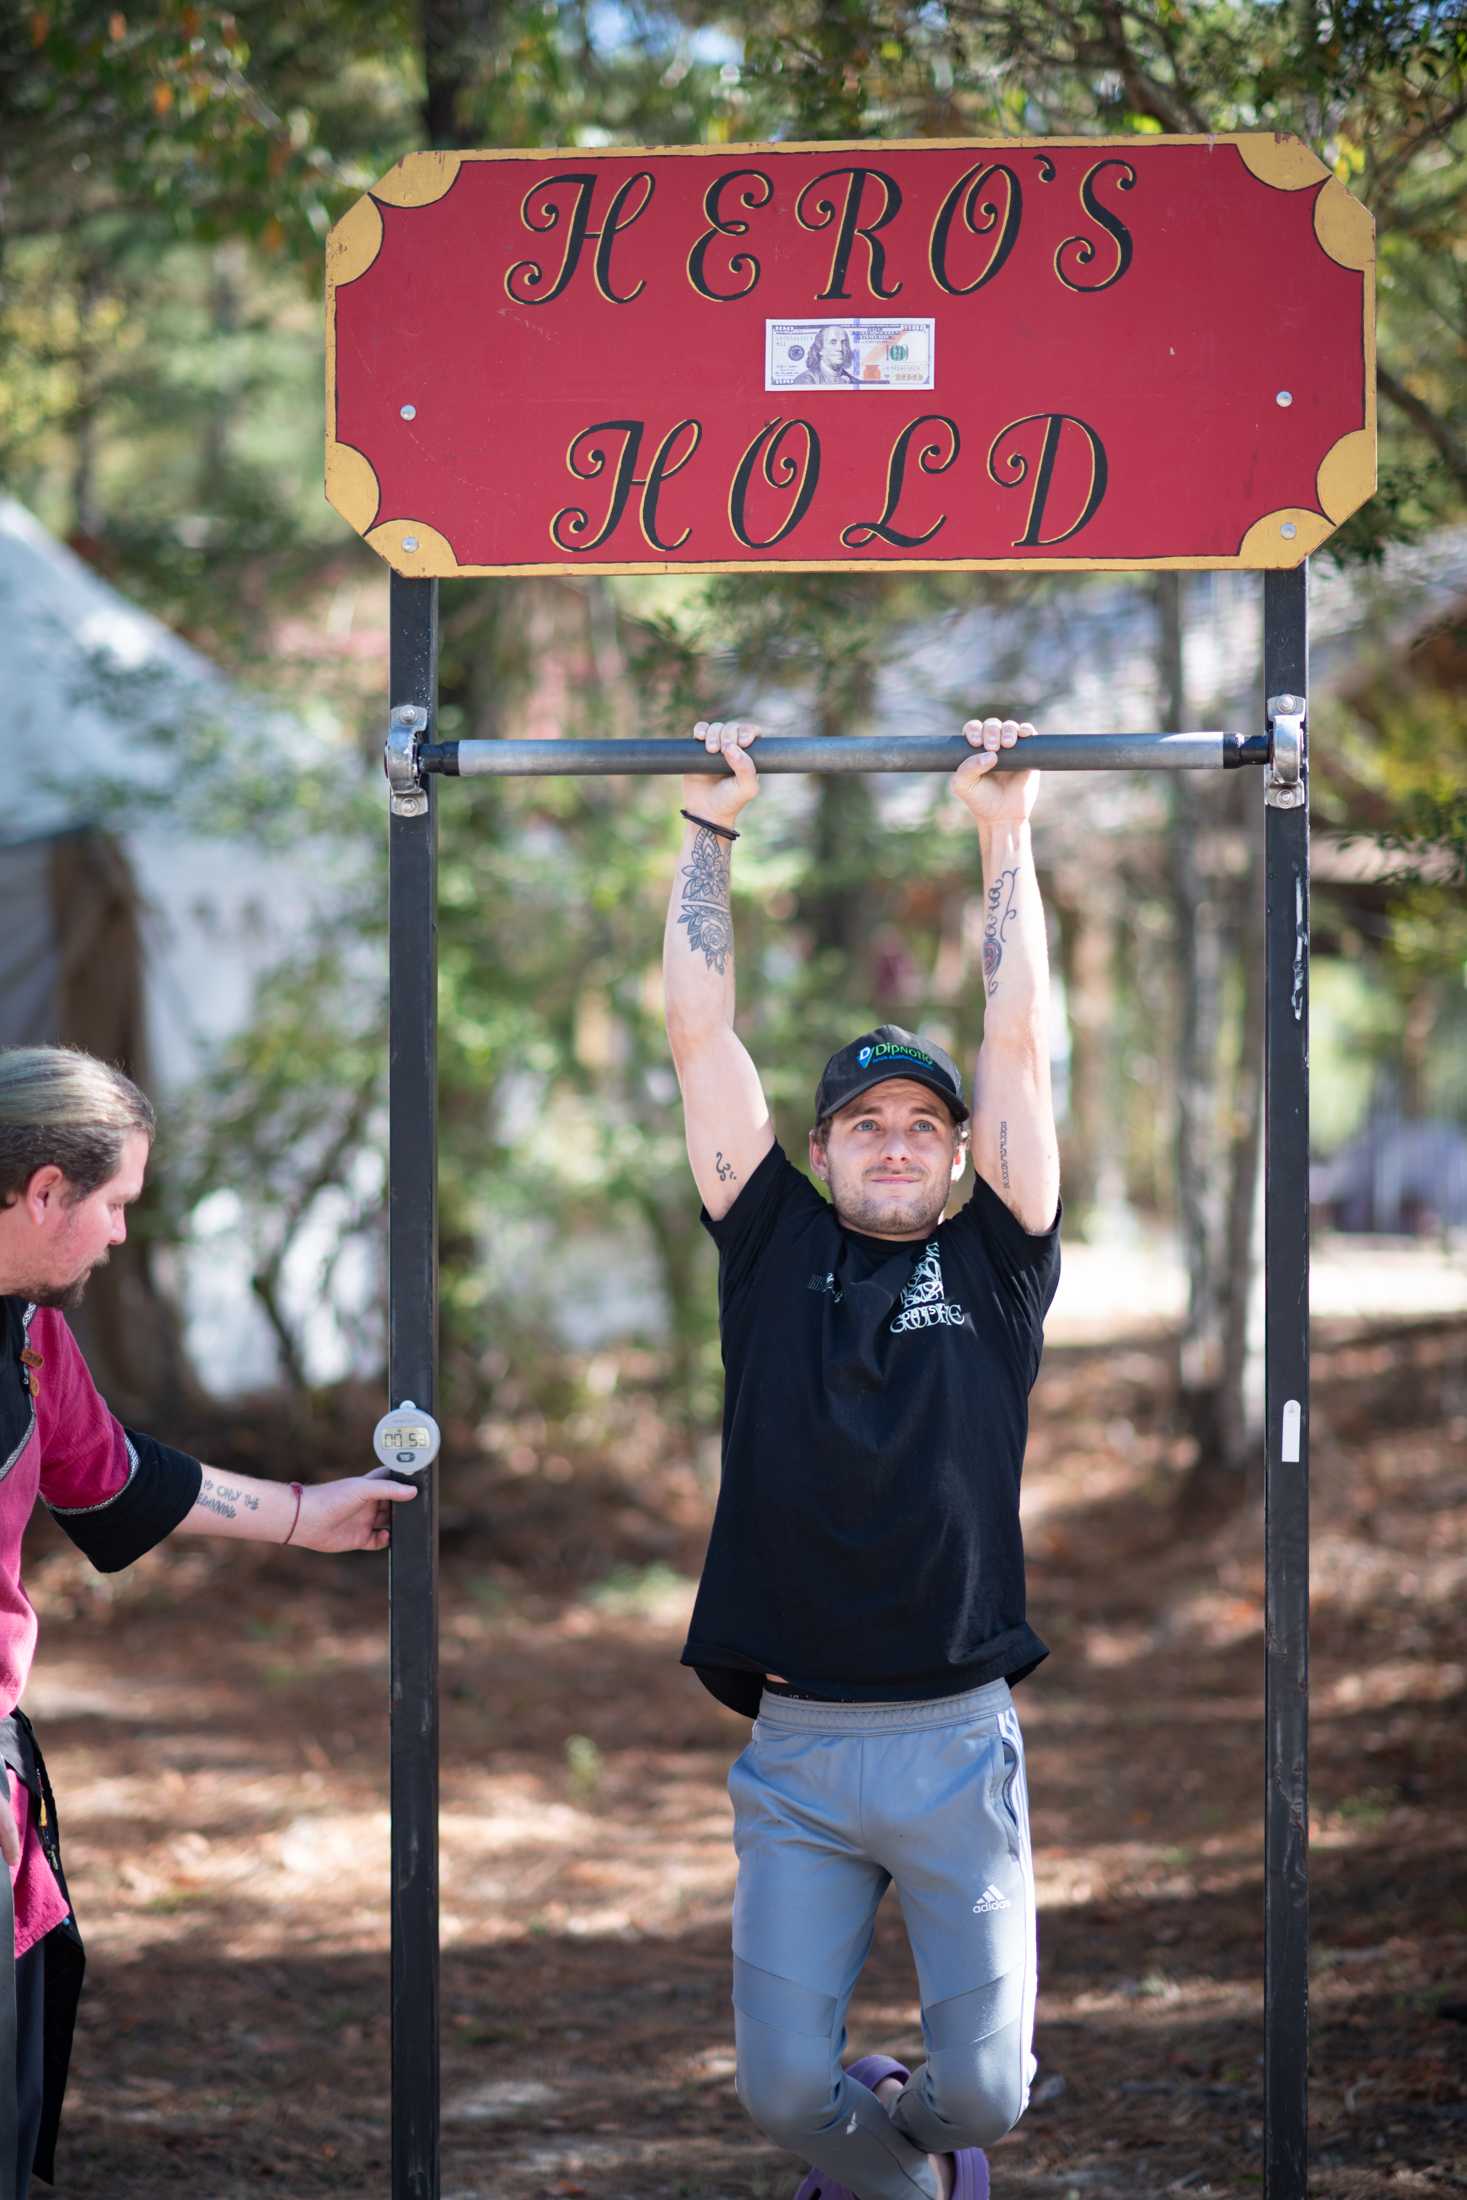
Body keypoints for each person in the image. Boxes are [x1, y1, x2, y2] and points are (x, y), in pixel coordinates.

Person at [662, 716, 1060, 2200]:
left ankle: (926, 2146)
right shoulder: (766, 1245)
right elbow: (700, 1034)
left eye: (920, 1123)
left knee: (989, 2097)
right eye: (860, 1121)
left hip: (958, 1737)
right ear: (818, 1152)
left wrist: (1000, 832)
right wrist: (709, 826)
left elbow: (1016, 1038)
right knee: (778, 2093)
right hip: (800, 1748)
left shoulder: (1001, 1254)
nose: (892, 1140)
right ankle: (896, 2181)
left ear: (956, 1154)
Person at [0, 1045, 417, 2196]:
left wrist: (306, 1514)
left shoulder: (31, 1339)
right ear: (45, 1193)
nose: (123, 1233)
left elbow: (118, 1479)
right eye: (117, 1203)